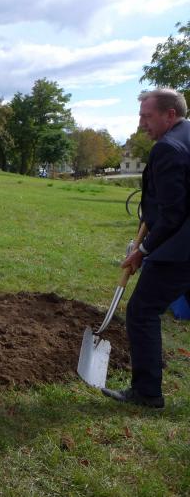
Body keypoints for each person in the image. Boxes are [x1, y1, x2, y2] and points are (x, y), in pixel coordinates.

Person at [101, 88, 190, 408]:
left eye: (146, 116)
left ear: (170, 114)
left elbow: (173, 213)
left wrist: (144, 250)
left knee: (142, 311)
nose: (141, 124)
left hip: (181, 249)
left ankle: (147, 392)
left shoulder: (168, 148)